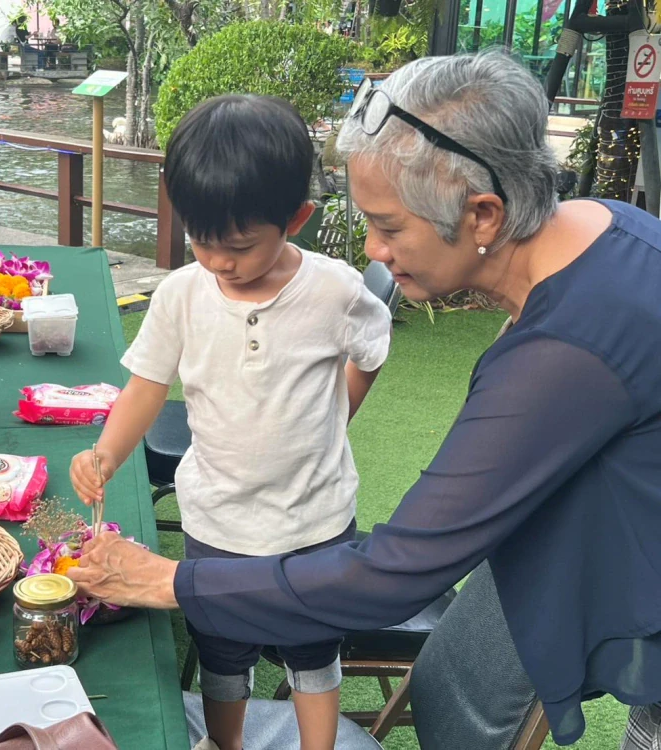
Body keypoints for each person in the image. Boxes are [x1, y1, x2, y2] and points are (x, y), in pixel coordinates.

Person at [67, 51, 661, 749]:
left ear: (484, 214)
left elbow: (394, 572)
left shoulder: (569, 351)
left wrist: (174, 583)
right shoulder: (607, 227)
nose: (375, 252)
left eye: (389, 226)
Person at [69, 94, 392, 750]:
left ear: (295, 219)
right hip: (217, 519)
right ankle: (225, 744)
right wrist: (105, 451)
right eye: (201, 240)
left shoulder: (333, 290)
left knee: (312, 654)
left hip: (315, 522)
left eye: (240, 247)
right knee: (222, 658)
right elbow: (146, 386)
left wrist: (340, 413)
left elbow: (372, 349)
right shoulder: (181, 294)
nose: (218, 261)